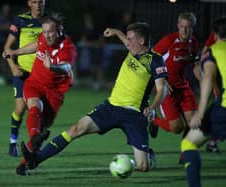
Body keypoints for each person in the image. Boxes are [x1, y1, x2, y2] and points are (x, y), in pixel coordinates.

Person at [21, 22, 168, 175]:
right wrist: (116, 31)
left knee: (143, 166)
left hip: (134, 115)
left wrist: (152, 108)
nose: (127, 42)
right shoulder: (133, 49)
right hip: (111, 107)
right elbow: (126, 41)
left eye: (130, 39)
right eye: (127, 39)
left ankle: (148, 155)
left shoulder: (155, 60)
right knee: (76, 129)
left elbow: (161, 89)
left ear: (141, 41)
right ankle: (35, 159)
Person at [3, 13, 77, 175]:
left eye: (50, 32)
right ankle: (35, 135)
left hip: (55, 93)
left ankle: (23, 165)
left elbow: (66, 68)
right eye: (44, 32)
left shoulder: (68, 47)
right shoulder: (43, 37)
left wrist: (52, 67)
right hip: (34, 83)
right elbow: (37, 44)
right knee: (35, 105)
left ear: (59, 29)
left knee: (43, 127)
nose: (47, 35)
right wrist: (15, 52)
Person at [181, 16, 226, 187]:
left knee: (189, 142)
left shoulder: (213, 51)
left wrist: (200, 113)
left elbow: (207, 78)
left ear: (214, 35)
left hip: (224, 109)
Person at [3, 0, 45, 157]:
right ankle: (13, 142)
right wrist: (13, 67)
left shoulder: (50, 22)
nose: (39, 5)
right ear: (29, 4)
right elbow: (7, 47)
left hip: (42, 75)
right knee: (20, 109)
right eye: (35, 2)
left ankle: (34, 146)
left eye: (41, 2)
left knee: (38, 111)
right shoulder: (20, 20)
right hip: (23, 73)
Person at [149, 12, 199, 140]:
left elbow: (195, 66)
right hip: (166, 89)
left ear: (193, 27)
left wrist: (204, 82)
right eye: (182, 26)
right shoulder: (169, 41)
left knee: (194, 123)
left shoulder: (193, 43)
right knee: (177, 127)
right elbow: (150, 59)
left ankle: (185, 156)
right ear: (178, 26)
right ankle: (155, 121)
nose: (185, 30)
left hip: (183, 87)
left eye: (188, 27)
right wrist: (163, 80)